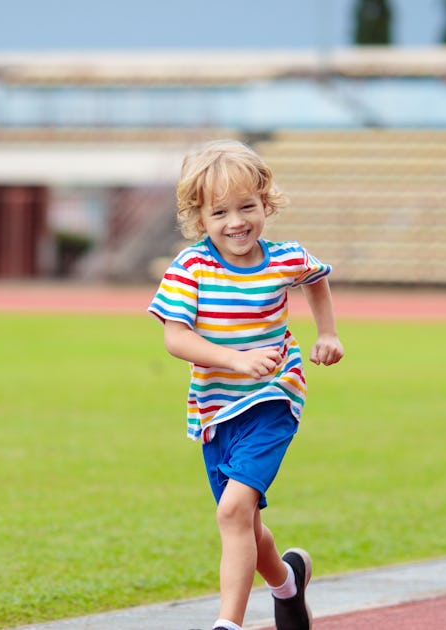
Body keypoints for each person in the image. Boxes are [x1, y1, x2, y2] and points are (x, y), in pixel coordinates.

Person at [148, 139, 344, 630]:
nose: (236, 221)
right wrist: (234, 360)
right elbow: (176, 338)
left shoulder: (284, 258)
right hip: (215, 409)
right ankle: (287, 583)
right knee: (245, 523)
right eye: (220, 212)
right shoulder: (190, 268)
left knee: (233, 509)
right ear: (200, 217)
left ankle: (227, 625)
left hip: (275, 397)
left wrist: (327, 334)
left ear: (265, 202)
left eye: (246, 207)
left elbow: (316, 278)